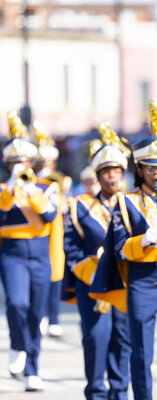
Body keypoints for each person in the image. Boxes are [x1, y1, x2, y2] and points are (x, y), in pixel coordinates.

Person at [90, 100, 157, 400]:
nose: (156, 173)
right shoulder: (126, 201)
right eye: (150, 167)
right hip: (141, 280)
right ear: (139, 168)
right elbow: (120, 248)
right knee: (141, 353)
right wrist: (145, 240)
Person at [62, 122, 131, 399]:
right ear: (98, 175)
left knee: (123, 339)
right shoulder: (80, 206)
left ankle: (119, 392)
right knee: (95, 338)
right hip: (92, 281)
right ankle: (95, 391)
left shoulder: (134, 204)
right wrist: (90, 272)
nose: (112, 177)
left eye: (116, 171)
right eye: (107, 172)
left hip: (125, 281)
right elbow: (71, 246)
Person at [0, 111, 62, 391]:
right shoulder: (3, 190)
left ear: (32, 163)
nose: (20, 166)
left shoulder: (47, 188)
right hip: (13, 254)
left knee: (36, 313)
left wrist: (29, 190)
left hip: (39, 255)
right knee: (16, 304)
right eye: (14, 162)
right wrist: (12, 189)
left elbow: (49, 216)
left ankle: (32, 369)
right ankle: (18, 344)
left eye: (23, 162)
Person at [33, 121, 67, 338]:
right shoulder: (32, 182)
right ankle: (42, 315)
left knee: (56, 270)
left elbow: (63, 205)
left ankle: (53, 317)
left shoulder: (59, 181)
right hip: (37, 231)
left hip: (55, 229)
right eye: (43, 161)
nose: (46, 165)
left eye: (49, 162)